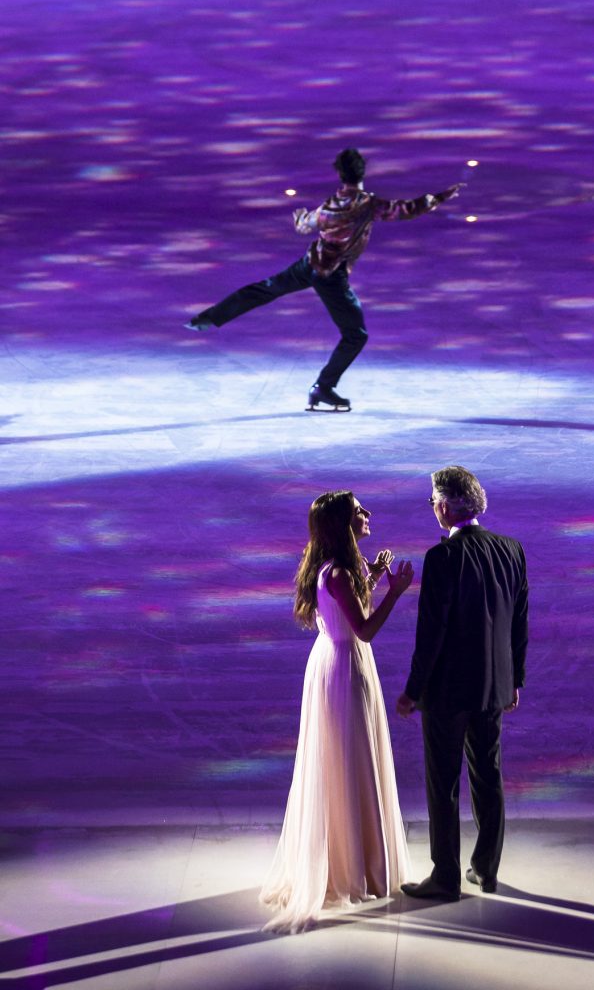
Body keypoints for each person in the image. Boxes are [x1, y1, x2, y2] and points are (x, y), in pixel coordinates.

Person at [185, 148, 464, 411]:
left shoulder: (329, 206)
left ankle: (208, 318)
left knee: (266, 289)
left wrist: (300, 221)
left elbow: (306, 225)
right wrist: (440, 197)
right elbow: (406, 209)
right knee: (356, 336)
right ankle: (323, 388)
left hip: (310, 264)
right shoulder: (368, 204)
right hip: (331, 276)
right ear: (363, 172)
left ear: (340, 174)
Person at [260, 491, 414, 932]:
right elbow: (364, 629)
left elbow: (349, 610)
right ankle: (352, 867)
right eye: (359, 511)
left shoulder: (336, 567)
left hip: (334, 661)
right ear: (343, 524)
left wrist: (375, 575)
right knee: (349, 758)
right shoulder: (342, 573)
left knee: (345, 759)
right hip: (346, 666)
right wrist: (395, 593)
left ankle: (349, 858)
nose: (368, 514)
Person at [397, 466, 528, 901]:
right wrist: (514, 679)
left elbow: (431, 634)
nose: (433, 507)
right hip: (493, 686)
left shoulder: (443, 558)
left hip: (448, 691)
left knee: (444, 783)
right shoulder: (511, 550)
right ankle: (486, 869)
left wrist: (413, 690)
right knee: (488, 775)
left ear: (445, 505)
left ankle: (446, 876)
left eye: (433, 500)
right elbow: (518, 623)